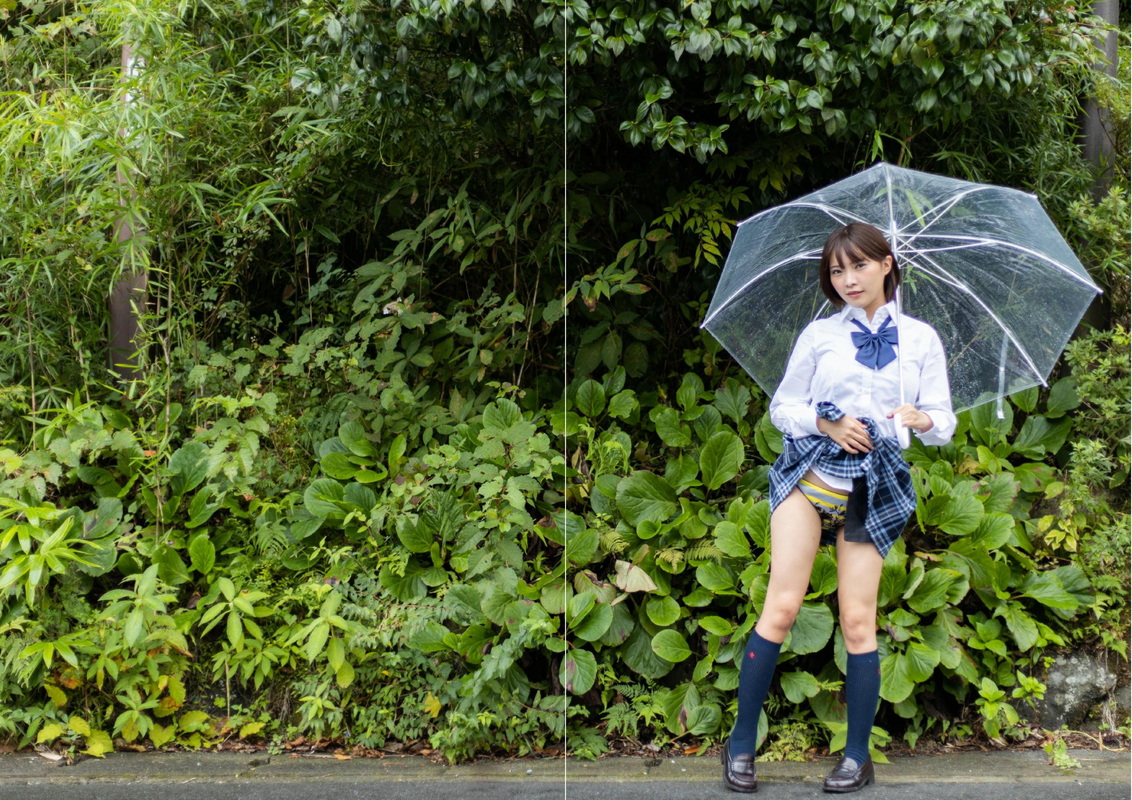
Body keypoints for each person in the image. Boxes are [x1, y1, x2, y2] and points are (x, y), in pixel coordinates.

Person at [720, 222, 956, 794]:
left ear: (886, 264)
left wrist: (921, 418)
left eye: (859, 266)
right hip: (811, 477)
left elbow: (944, 423)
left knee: (857, 620)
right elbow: (783, 408)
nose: (848, 279)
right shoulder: (820, 335)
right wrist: (827, 423)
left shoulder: (921, 339)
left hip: (874, 485)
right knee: (782, 607)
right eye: (836, 270)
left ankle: (856, 758)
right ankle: (741, 744)